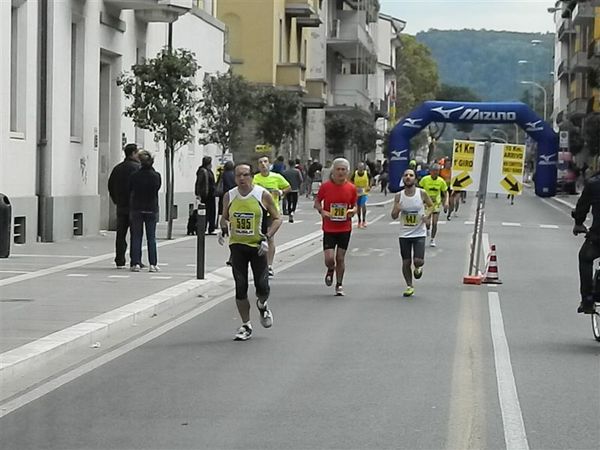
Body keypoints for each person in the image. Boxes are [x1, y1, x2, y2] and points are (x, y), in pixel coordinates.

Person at [219, 163, 282, 341]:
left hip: (257, 247)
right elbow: (224, 217)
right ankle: (246, 325)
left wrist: (267, 237)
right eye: (238, 175)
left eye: (245, 175)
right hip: (237, 247)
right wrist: (222, 228)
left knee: (262, 287)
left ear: (252, 177)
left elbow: (277, 219)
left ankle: (262, 305)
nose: (241, 179)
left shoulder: (262, 195)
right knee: (240, 287)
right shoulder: (229, 196)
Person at [314, 158, 357, 296]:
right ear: (333, 171)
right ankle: (330, 269)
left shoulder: (351, 188)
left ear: (347, 172)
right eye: (338, 169)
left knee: (340, 258)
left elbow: (355, 206)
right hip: (329, 228)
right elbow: (317, 202)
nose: (340, 172)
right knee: (329, 259)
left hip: (345, 228)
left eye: (343, 170)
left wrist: (352, 211)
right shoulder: (325, 187)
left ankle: (339, 284)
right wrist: (322, 211)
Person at [391, 169, 434, 297]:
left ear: (415, 179)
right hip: (404, 234)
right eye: (406, 175)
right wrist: (397, 210)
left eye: (411, 175)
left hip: (419, 233)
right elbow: (393, 216)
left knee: (418, 261)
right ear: (403, 179)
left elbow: (431, 206)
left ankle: (418, 267)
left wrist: (427, 216)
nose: (408, 177)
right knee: (406, 262)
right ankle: (409, 286)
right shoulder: (399, 196)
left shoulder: (422, 193)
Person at [253, 156, 291, 277]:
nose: (263, 164)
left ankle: (269, 265)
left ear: (269, 164)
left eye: (265, 162)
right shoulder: (255, 178)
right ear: (258, 166)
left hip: (272, 213)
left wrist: (281, 192)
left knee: (270, 238)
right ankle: (259, 264)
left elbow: (288, 187)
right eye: (260, 162)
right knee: (256, 239)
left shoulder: (276, 177)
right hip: (258, 212)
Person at [128, 150, 162, 272]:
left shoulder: (134, 175)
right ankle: (153, 264)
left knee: (137, 236)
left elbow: (130, 189)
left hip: (137, 208)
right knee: (151, 237)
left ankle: (135, 263)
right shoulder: (156, 176)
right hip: (151, 208)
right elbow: (157, 188)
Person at [108, 143, 140, 269]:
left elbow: (110, 185)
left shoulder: (118, 168)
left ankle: (119, 259)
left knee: (120, 234)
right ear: (133, 153)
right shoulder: (137, 168)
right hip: (135, 206)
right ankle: (135, 260)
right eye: (137, 153)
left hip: (121, 205)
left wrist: (116, 200)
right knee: (135, 234)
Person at [572, 170, 600, 314]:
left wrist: (578, 223)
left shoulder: (594, 183)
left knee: (585, 258)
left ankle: (587, 300)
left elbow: (582, 207)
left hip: (598, 236)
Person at [419, 163, 449, 247]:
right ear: (430, 171)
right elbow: (419, 190)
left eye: (437, 171)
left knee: (435, 223)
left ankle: (432, 239)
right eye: (434, 171)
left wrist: (446, 202)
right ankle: (428, 228)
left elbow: (445, 192)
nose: (436, 173)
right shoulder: (425, 179)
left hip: (436, 204)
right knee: (427, 222)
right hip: (426, 204)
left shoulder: (441, 181)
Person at [195, 156, 217, 235]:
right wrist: (198, 194)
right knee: (206, 212)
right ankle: (202, 228)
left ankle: (211, 228)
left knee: (211, 212)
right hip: (206, 195)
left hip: (211, 195)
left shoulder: (208, 171)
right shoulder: (203, 171)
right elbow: (199, 183)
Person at [351, 162, 371, 228]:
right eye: (359, 167)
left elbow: (371, 179)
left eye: (362, 167)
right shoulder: (355, 173)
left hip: (364, 191)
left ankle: (364, 220)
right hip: (357, 191)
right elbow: (351, 181)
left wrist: (369, 186)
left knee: (363, 205)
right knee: (358, 207)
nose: (360, 168)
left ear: (363, 167)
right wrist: (353, 187)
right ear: (358, 167)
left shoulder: (366, 173)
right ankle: (359, 221)